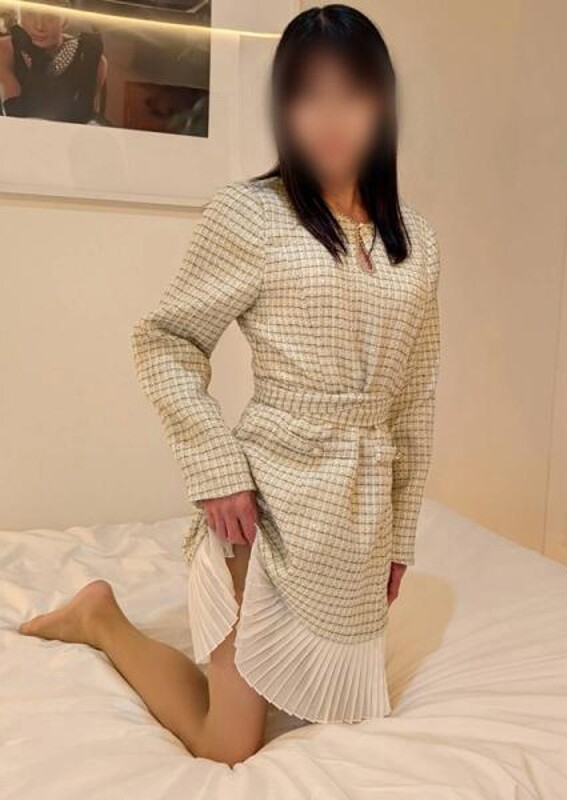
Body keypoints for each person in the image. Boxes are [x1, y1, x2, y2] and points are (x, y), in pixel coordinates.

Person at [19, 5, 441, 766]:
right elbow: (165, 340)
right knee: (229, 745)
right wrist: (216, 470)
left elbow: (415, 401)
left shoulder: (417, 241)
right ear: (283, 108)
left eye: (351, 92)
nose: (330, 116)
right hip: (265, 505)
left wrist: (399, 537)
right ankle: (100, 618)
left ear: (382, 101)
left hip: (359, 518)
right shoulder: (251, 215)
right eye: (307, 94)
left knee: (343, 725)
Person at [0, 6, 106, 122]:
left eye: (49, 17)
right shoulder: (4, 49)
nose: (39, 26)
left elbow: (87, 119)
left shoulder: (89, 57)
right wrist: (36, 59)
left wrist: (89, 63)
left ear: (65, 19)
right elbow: (15, 114)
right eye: (30, 14)